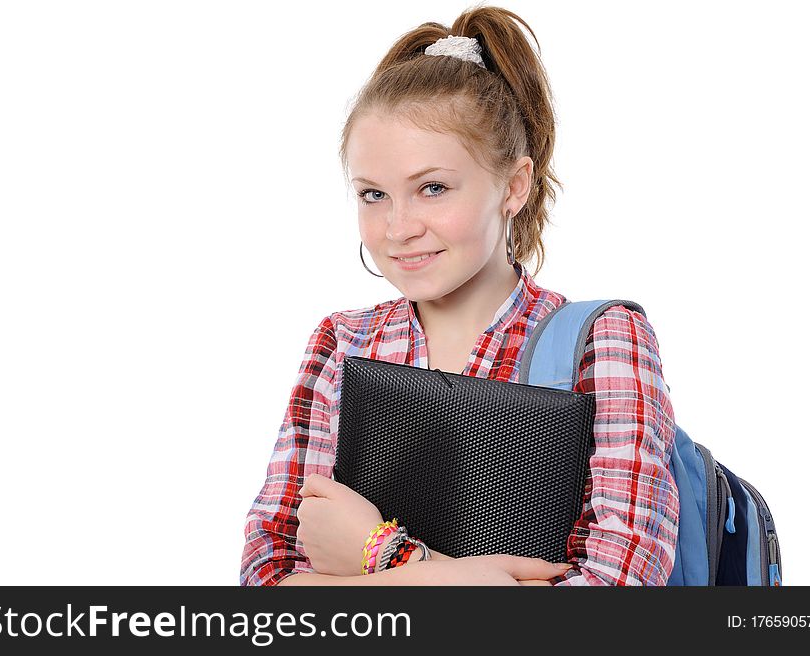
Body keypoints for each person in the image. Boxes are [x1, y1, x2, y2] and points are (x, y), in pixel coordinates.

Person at [240, 5, 679, 586]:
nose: (398, 228)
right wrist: (474, 582)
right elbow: (266, 577)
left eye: (432, 188)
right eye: (373, 194)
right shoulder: (342, 343)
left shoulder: (601, 340)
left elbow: (621, 587)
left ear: (514, 186)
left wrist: (384, 558)